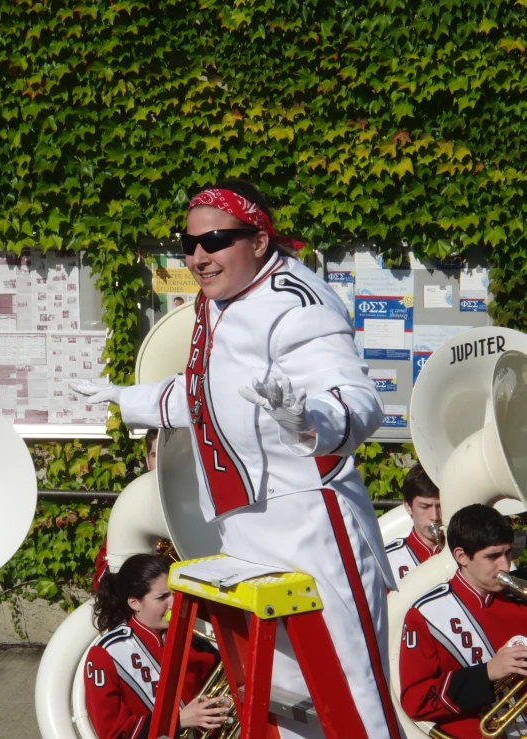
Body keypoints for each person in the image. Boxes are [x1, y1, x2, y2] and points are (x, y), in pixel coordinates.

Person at [72, 179, 400, 738]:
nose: (199, 255)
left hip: (309, 523)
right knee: (285, 693)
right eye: (188, 243)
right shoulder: (216, 302)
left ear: (259, 239)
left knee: (350, 692)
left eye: (217, 239)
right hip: (242, 526)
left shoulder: (299, 300)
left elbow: (357, 402)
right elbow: (204, 394)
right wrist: (130, 399)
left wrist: (309, 422)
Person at [399, 504, 527, 739]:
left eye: (508, 553)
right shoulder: (426, 614)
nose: (505, 565)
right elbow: (415, 701)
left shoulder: (520, 599)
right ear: (461, 556)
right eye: (492, 556)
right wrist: (486, 673)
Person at [85, 553, 229, 739]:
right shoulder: (106, 654)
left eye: (176, 594)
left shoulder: (193, 640)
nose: (174, 603)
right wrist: (178, 720)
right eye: (162, 597)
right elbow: (113, 733)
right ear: (134, 602)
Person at [92, 429, 159, 592]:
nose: (163, 462)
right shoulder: (133, 504)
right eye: (156, 455)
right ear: (148, 461)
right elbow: (102, 581)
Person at [385, 462, 442, 583]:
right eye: (425, 507)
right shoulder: (388, 559)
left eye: (440, 506)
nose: (435, 516)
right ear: (408, 507)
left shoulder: (466, 553)